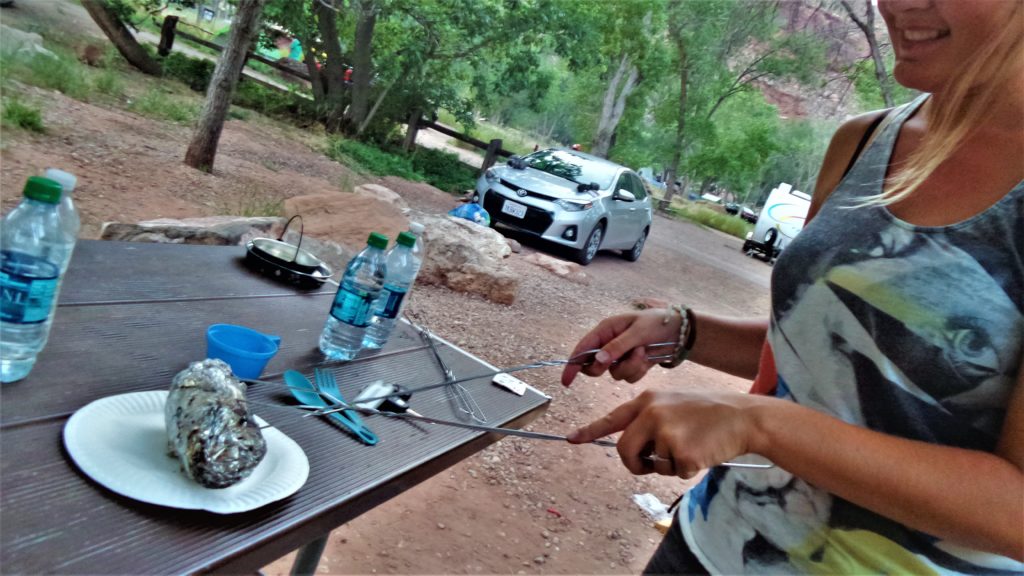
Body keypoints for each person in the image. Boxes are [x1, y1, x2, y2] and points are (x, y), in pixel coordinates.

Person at [561, 1, 1023, 573]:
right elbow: (826, 347)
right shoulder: (865, 139)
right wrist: (685, 333)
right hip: (709, 544)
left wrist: (756, 424)